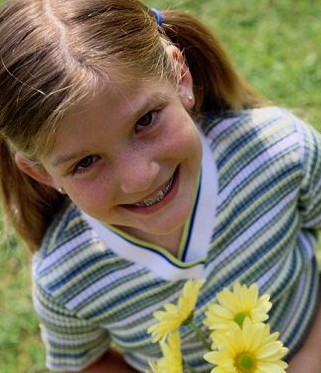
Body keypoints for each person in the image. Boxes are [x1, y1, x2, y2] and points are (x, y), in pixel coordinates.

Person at [0, 0, 320, 372]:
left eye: (146, 120)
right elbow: (86, 363)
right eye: (85, 162)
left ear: (180, 77)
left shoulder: (281, 152)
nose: (140, 177)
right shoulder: (66, 279)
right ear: (43, 174)